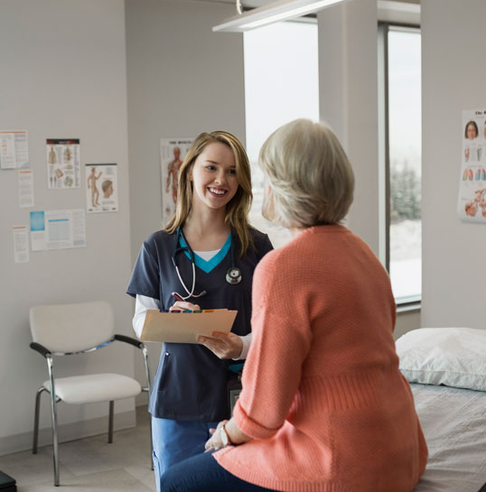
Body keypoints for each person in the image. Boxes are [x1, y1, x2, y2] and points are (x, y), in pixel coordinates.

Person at [161, 119, 428, 492]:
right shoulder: (364, 254)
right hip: (402, 450)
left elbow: (263, 412)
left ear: (283, 188)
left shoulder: (283, 267)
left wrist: (226, 433)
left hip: (342, 461)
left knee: (178, 481)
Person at [127, 131, 273, 491]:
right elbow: (141, 320)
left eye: (232, 172)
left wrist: (242, 344)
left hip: (243, 401)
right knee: (178, 484)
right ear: (190, 171)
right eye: (211, 167)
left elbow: (277, 327)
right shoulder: (159, 247)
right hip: (179, 399)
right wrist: (171, 321)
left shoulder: (256, 247)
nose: (221, 180)